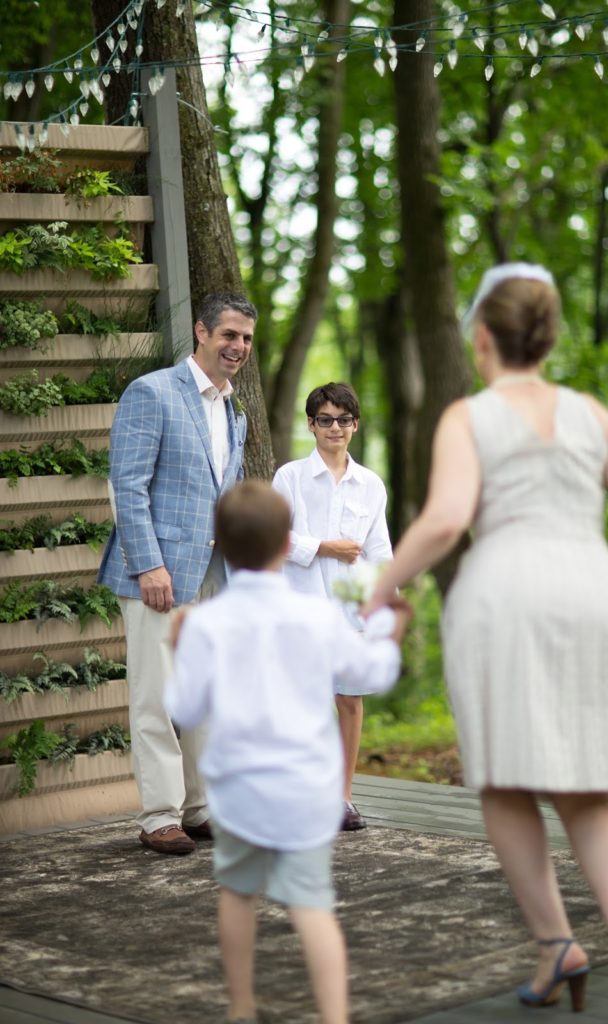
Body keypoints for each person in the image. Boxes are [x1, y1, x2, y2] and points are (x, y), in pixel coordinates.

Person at [364, 264, 608, 1023]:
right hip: (593, 591)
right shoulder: (593, 414)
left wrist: (383, 585)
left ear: (482, 337)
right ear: (548, 336)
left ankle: (558, 940)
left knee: (506, 780)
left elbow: (444, 521)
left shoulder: (468, 416)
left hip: (506, 595)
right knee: (587, 792)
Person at [164, 481, 412, 1024]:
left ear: (223, 547)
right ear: (286, 545)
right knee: (312, 906)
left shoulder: (207, 623)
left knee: (238, 895)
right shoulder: (318, 617)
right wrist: (389, 626)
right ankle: (334, 1016)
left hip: (238, 788)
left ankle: (241, 1007)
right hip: (306, 788)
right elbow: (373, 673)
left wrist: (177, 649)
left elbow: (183, 710)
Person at [98, 292, 257, 855]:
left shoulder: (232, 409)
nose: (237, 347)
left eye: (245, 339)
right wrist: (149, 565)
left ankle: (198, 807)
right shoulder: (153, 392)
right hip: (157, 576)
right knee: (155, 697)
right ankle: (159, 815)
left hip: (212, 576)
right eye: (229, 335)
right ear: (201, 332)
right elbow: (128, 487)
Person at [272, 382, 393, 831]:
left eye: (343, 420)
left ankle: (342, 798)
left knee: (349, 700)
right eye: (325, 420)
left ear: (355, 425)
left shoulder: (370, 485)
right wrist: (325, 547)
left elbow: (380, 549)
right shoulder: (290, 478)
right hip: (304, 605)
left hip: (352, 611)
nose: (334, 428)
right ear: (311, 425)